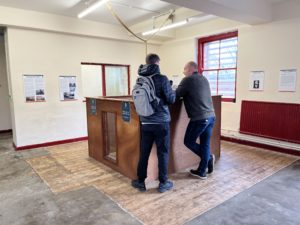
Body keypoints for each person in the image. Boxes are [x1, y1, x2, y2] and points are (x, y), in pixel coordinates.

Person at [132, 53, 176, 193]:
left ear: (147, 63)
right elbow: (171, 100)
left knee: (144, 152)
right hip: (161, 122)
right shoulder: (162, 78)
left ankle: (140, 181)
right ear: (157, 63)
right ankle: (163, 183)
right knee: (162, 152)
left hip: (145, 122)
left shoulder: (140, 78)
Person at [176, 61, 215, 179]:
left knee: (188, 141)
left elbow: (176, 95)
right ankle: (202, 171)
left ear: (190, 69)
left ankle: (208, 158)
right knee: (205, 144)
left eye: (184, 69)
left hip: (200, 118)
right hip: (211, 116)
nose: (183, 72)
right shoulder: (204, 79)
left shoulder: (187, 80)